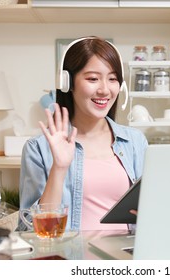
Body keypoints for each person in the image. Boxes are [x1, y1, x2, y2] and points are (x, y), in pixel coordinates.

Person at [19, 36, 148, 231]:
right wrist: (59, 168)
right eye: (93, 79)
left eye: (112, 79)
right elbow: (30, 231)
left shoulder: (135, 141)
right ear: (68, 83)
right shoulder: (38, 148)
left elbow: (152, 210)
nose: (104, 89)